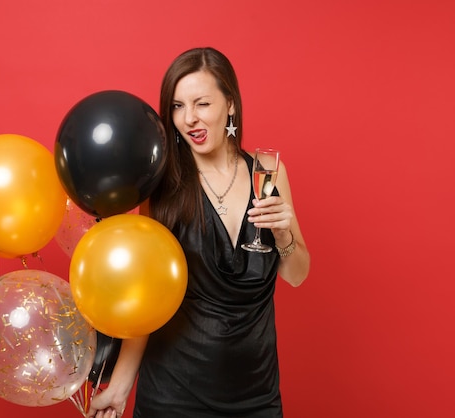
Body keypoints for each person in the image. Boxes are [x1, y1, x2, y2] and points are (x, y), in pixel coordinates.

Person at [87, 47, 310, 418]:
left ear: (231, 105)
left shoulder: (269, 172)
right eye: (177, 106)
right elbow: (148, 294)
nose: (189, 118)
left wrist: (285, 237)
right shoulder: (161, 185)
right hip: (175, 394)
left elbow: (297, 275)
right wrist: (120, 386)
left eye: (202, 103)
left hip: (257, 393)